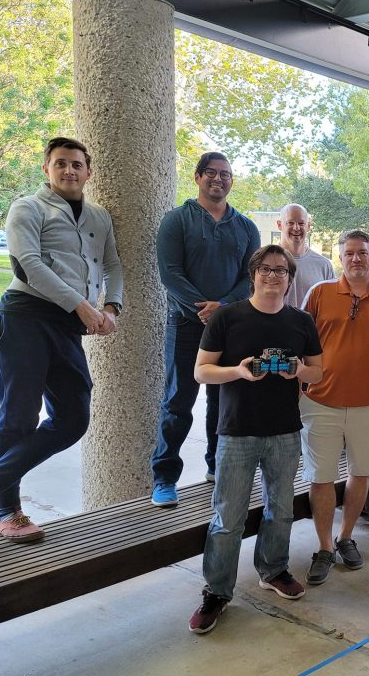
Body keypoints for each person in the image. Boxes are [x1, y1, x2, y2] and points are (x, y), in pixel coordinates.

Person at [0, 137, 123, 542]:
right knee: (19, 417)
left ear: (88, 172)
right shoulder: (27, 207)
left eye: (77, 164)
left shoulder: (99, 216)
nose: (69, 170)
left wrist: (112, 307)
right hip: (23, 317)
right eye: (60, 163)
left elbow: (114, 264)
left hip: (65, 325)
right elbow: (27, 263)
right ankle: (8, 510)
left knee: (72, 418)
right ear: (46, 169)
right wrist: (83, 306)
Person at [187, 245, 323, 635]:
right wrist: (239, 372)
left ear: (290, 278)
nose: (274, 275)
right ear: (254, 273)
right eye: (266, 269)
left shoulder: (300, 321)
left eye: (282, 270)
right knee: (227, 518)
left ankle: (273, 569)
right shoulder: (228, 317)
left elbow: (318, 371)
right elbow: (201, 371)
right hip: (236, 431)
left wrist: (297, 369)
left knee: (280, 509)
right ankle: (216, 591)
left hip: (284, 430)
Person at [299, 230, 369, 585]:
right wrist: (299, 389)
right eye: (349, 253)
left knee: (360, 473)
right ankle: (323, 547)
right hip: (319, 402)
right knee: (321, 478)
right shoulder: (319, 293)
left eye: (362, 252)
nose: (356, 259)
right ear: (339, 256)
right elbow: (299, 341)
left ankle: (345, 537)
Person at [151, 152, 260, 506]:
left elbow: (251, 277)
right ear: (197, 177)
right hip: (184, 325)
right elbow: (170, 274)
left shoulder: (246, 227)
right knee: (177, 401)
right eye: (211, 173)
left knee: (222, 400)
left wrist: (224, 308)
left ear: (232, 180)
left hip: (229, 329)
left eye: (225, 174)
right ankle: (165, 477)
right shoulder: (176, 221)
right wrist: (203, 310)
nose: (218, 179)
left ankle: (217, 465)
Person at [276, 203, 334, 307]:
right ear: (280, 225)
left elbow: (329, 306)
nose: (296, 228)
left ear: (308, 226)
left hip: (311, 324)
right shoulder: (265, 262)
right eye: (290, 223)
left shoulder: (324, 266)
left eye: (301, 223)